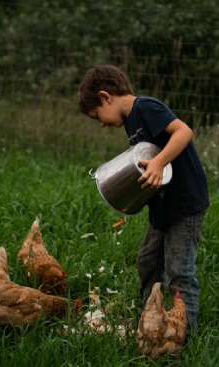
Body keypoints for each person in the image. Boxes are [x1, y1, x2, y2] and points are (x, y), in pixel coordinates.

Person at [78, 65, 209, 333]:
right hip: (161, 207)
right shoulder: (131, 122)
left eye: (97, 116)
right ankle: (150, 323)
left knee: (179, 272)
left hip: (184, 205)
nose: (102, 123)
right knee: (148, 262)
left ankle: (186, 336)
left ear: (106, 97)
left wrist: (159, 163)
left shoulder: (146, 108)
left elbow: (183, 131)